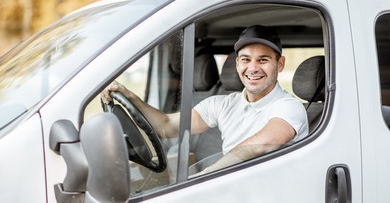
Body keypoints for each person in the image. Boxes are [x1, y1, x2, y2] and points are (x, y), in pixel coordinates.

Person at [101, 25, 308, 174]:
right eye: (246, 60)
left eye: (263, 60)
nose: (253, 68)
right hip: (234, 190)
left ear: (280, 65)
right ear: (237, 64)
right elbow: (166, 126)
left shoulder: (289, 107)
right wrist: (130, 96)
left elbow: (258, 147)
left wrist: (205, 177)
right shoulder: (222, 103)